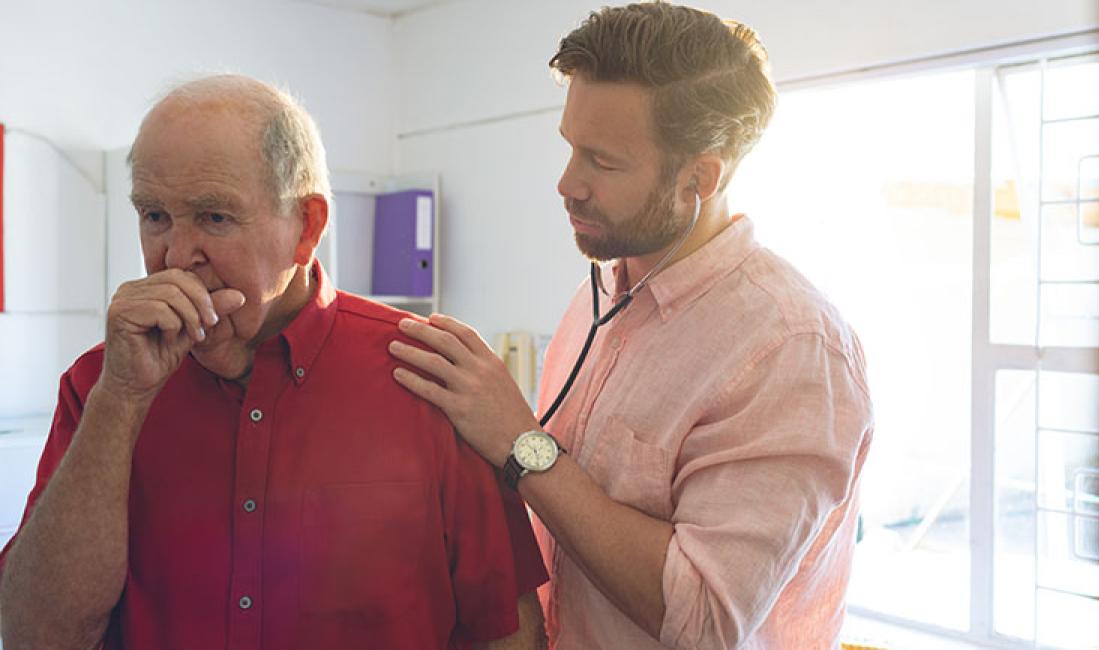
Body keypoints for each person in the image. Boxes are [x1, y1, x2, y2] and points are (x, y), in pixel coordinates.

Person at [386, 3, 874, 649]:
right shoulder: (603, 291)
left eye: (603, 162)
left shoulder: (791, 349)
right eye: (569, 148)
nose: (568, 184)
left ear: (700, 177)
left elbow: (702, 618)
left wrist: (519, 441)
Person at [0, 75, 547, 650]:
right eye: (155, 215)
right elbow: (35, 634)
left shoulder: (428, 376)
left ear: (306, 228)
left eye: (214, 217)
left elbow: (509, 631)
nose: (177, 256)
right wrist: (121, 402)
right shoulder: (100, 385)